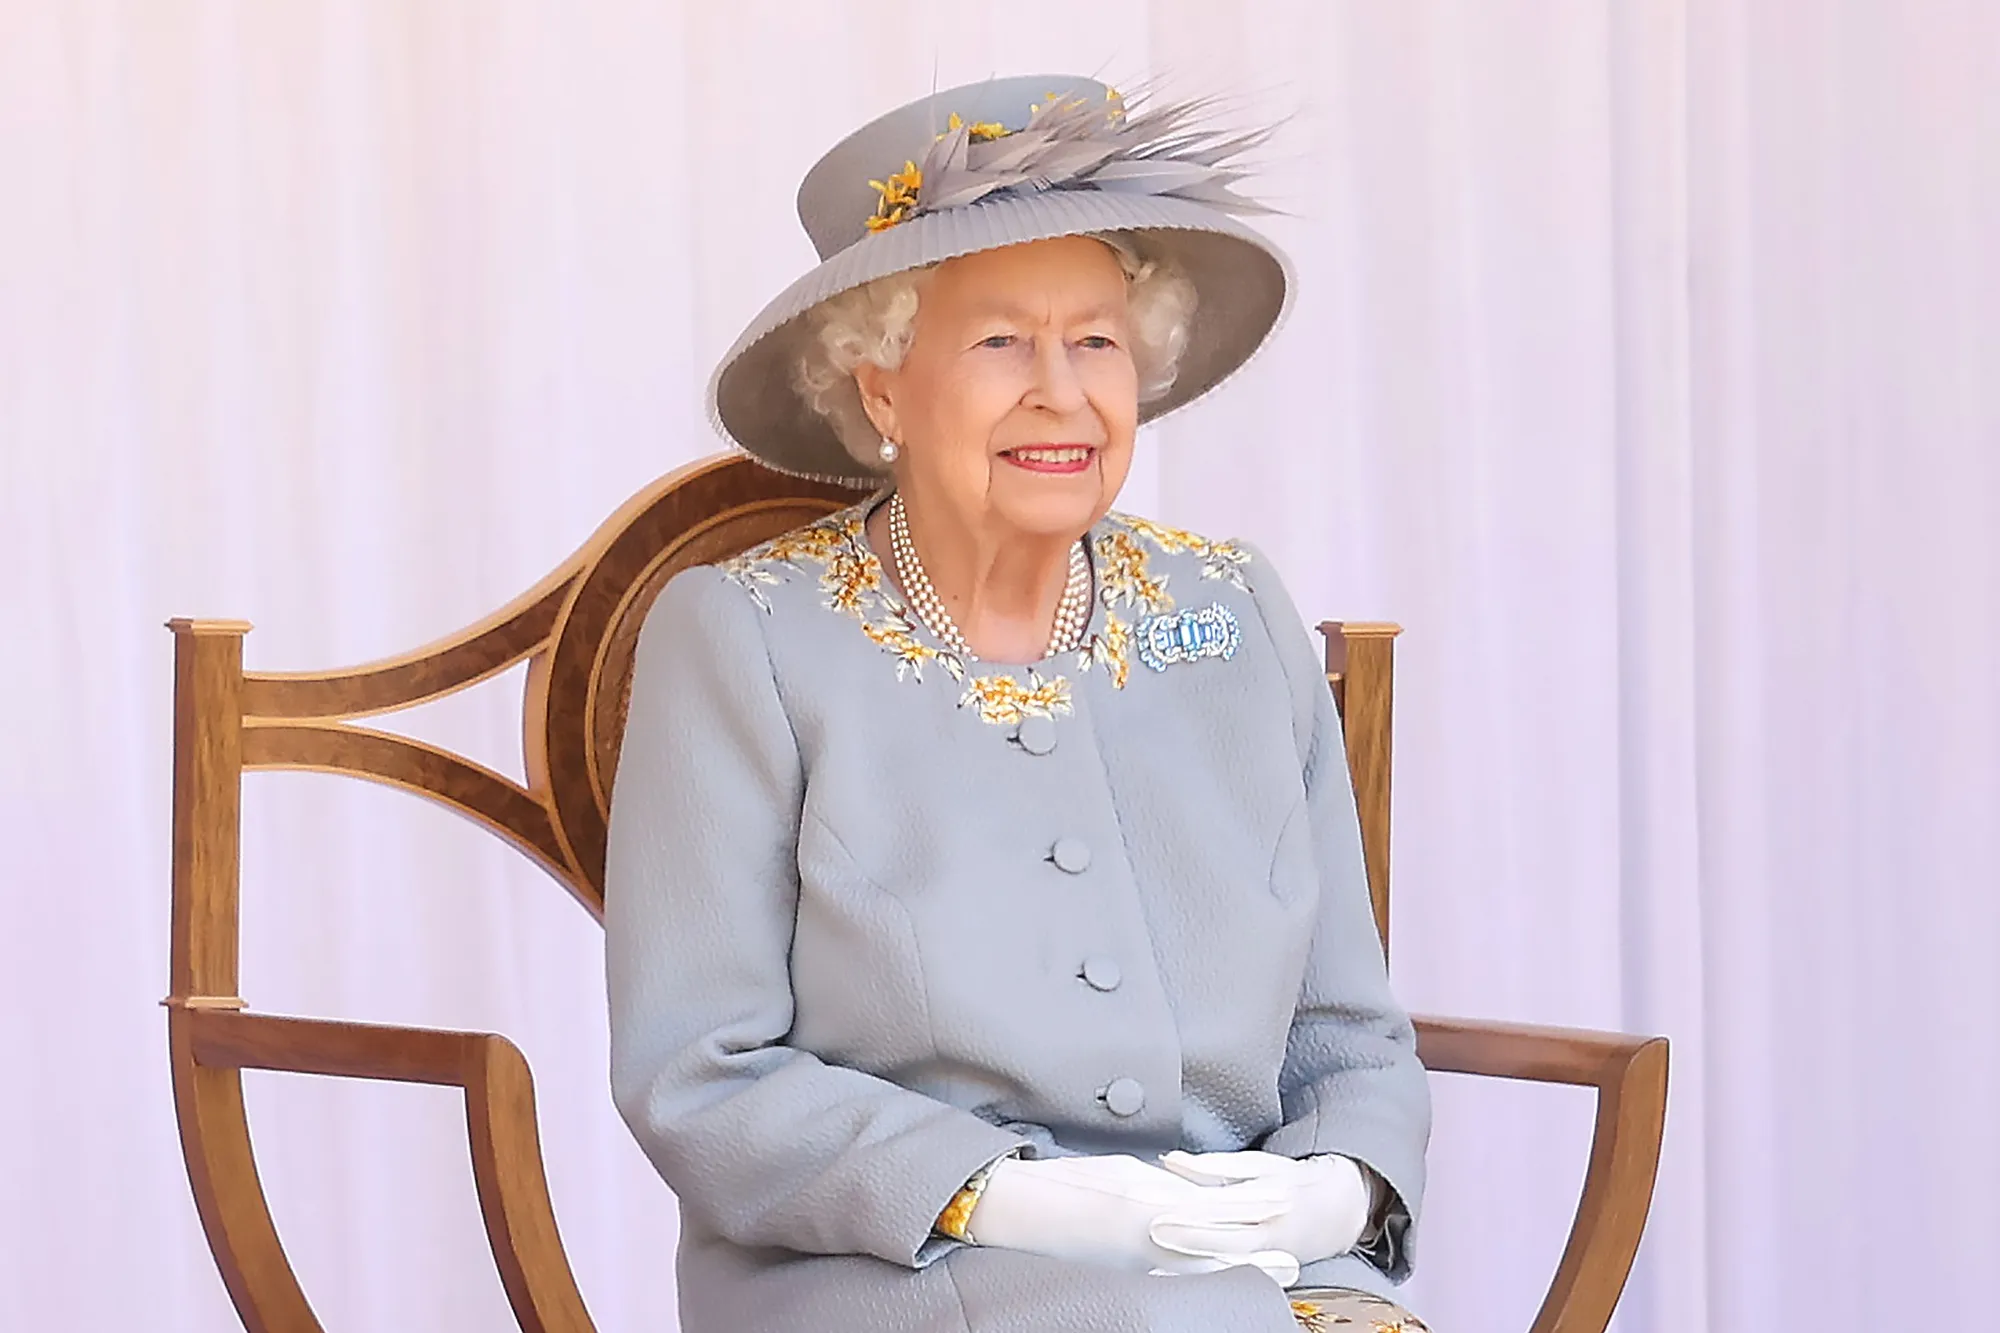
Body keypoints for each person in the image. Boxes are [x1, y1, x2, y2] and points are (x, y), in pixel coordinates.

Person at [605, 74, 1433, 1333]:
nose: (1060, 390)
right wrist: (1029, 1205)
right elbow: (695, 1068)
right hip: (892, 1278)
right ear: (880, 386)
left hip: (1254, 1279)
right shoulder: (745, 636)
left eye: (1094, 339)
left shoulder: (1234, 607)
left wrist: (1331, 1197)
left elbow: (1344, 1027)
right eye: (999, 342)